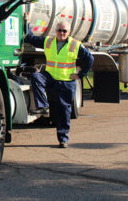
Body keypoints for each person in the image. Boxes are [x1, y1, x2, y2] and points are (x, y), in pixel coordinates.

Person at [25, 19, 94, 148]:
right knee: (36, 76)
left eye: (64, 31)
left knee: (64, 111)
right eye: (59, 30)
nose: (61, 33)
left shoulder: (75, 44)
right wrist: (28, 22)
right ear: (55, 31)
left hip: (66, 82)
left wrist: (80, 74)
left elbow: (90, 59)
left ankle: (63, 139)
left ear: (69, 32)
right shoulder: (48, 41)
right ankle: (43, 106)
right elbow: (30, 38)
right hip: (50, 77)